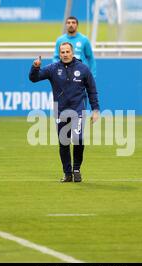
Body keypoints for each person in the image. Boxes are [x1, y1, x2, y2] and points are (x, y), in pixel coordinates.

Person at [30, 42, 100, 182]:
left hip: (78, 110)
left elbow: (92, 90)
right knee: (64, 142)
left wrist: (95, 109)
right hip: (60, 111)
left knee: (78, 139)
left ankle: (76, 169)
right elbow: (34, 79)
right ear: (59, 54)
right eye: (62, 52)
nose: (65, 54)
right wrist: (35, 67)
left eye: (68, 51)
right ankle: (67, 174)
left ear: (72, 52)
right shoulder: (53, 69)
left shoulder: (83, 69)